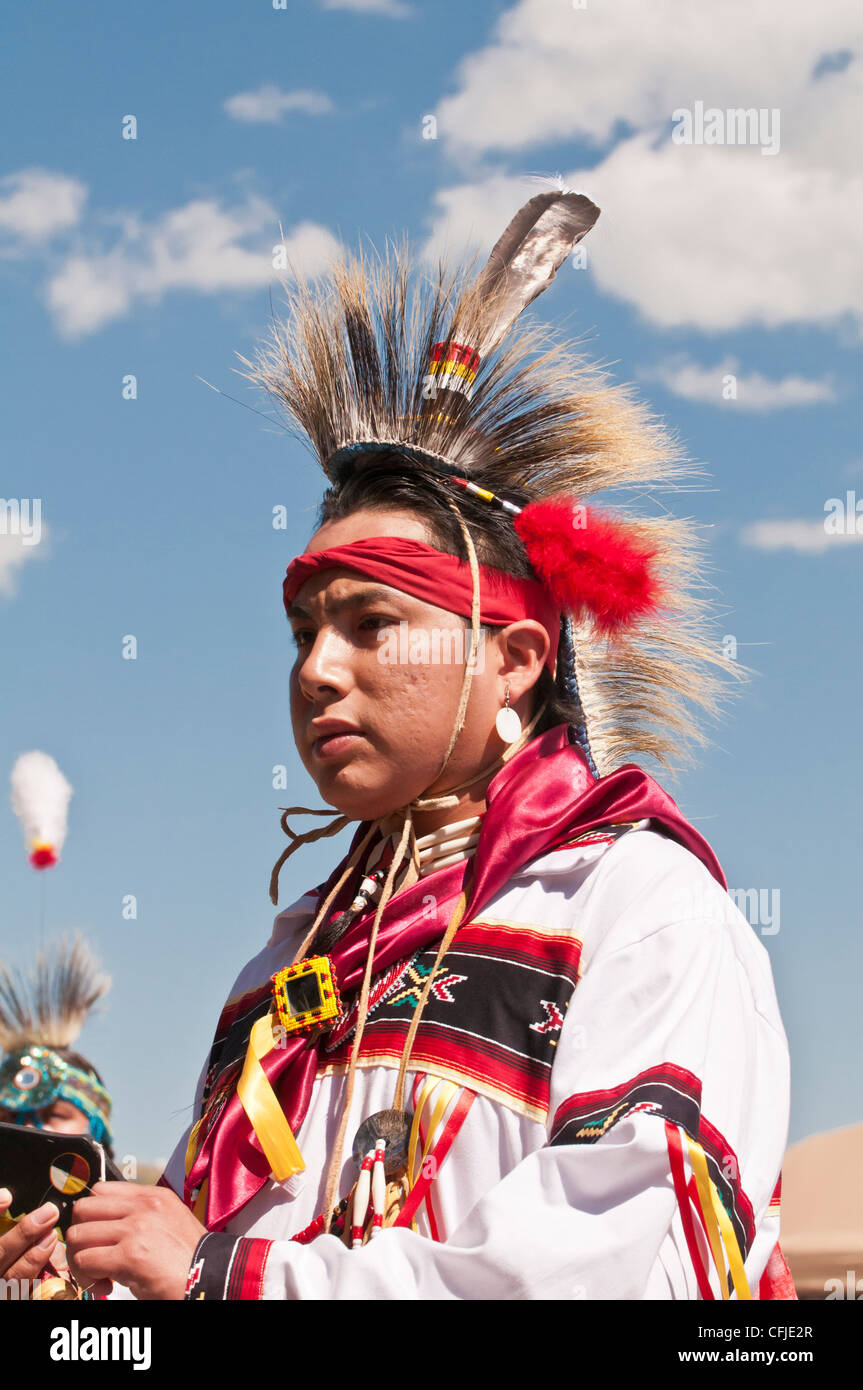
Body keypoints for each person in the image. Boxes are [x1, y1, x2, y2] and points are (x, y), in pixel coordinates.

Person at [65, 188, 792, 1301]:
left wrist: (222, 1278)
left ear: (512, 659)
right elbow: (209, 1249)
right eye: (305, 630)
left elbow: (607, 1269)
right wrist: (97, 1289)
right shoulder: (299, 953)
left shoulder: (635, 909)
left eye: (371, 625)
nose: (316, 669)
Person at [0, 936, 113, 1299]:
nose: (30, 1127)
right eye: (11, 1117)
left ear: (96, 1133)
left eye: (55, 1114)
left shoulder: (140, 1250)